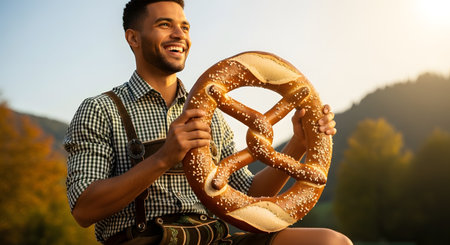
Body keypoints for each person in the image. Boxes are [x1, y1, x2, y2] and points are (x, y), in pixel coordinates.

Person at [64, 0, 352, 244]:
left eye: (184, 27)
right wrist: (163, 158)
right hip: (146, 239)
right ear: (133, 38)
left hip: (214, 237)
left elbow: (250, 195)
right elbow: (84, 210)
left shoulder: (211, 111)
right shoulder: (101, 109)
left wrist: (299, 143)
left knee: (331, 242)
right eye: (165, 25)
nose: (179, 34)